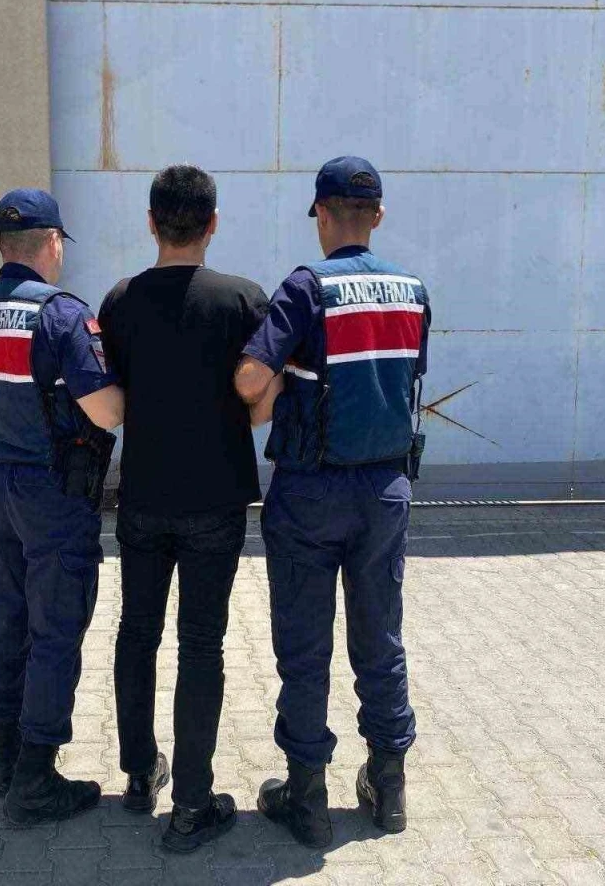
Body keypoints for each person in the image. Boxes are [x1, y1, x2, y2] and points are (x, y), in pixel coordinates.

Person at [234, 156, 430, 847]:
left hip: (311, 492)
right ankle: (389, 784)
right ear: (378, 215)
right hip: (385, 489)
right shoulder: (412, 291)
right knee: (380, 635)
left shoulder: (305, 287)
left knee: (304, 643)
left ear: (320, 213)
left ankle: (307, 795)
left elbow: (250, 377)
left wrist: (277, 382)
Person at [97, 164, 272, 852]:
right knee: (202, 644)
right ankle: (193, 804)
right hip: (215, 499)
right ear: (213, 223)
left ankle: (140, 776)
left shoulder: (120, 301)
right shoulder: (244, 300)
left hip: (143, 495)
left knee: (136, 633)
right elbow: (263, 397)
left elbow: (112, 397)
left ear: (151, 223)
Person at [0, 188, 125, 827]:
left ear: (3, 245)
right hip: (51, 492)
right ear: (52, 242)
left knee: (8, 620)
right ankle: (35, 778)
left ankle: (5, 760)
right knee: (55, 629)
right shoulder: (60, 315)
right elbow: (104, 410)